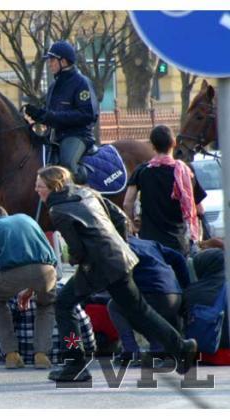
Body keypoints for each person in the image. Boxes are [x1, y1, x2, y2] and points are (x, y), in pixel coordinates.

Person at [36, 165, 198, 382]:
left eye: (40, 186)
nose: (36, 190)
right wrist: (119, 246)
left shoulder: (58, 211)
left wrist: (73, 260)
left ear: (53, 186)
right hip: (119, 260)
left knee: (64, 304)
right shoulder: (87, 192)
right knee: (140, 310)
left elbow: (78, 250)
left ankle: (75, 363)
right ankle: (181, 348)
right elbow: (121, 218)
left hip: (99, 266)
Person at [0, 204, 58, 369]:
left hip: (12, 273)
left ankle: (11, 354)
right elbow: (51, 257)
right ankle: (41, 355)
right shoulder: (27, 219)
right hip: (46, 271)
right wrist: (31, 289)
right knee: (46, 305)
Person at [123, 125, 206, 256]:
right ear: (174, 142)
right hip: (179, 244)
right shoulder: (185, 172)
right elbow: (200, 209)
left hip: (150, 245)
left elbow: (127, 203)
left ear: (152, 145)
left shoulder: (141, 171)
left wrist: (133, 225)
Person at [23, 40, 99, 184]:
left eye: (52, 60)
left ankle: (81, 197)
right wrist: (39, 114)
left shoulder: (82, 83)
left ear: (63, 62)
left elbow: (88, 115)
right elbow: (51, 114)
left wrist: (51, 117)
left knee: (68, 164)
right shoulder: (54, 85)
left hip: (77, 135)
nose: (49, 64)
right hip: (55, 136)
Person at [108, 236, 191, 364]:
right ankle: (158, 348)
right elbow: (179, 258)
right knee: (140, 308)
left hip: (153, 296)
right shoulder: (149, 243)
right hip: (175, 296)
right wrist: (185, 287)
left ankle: (131, 352)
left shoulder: (114, 246)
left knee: (114, 305)